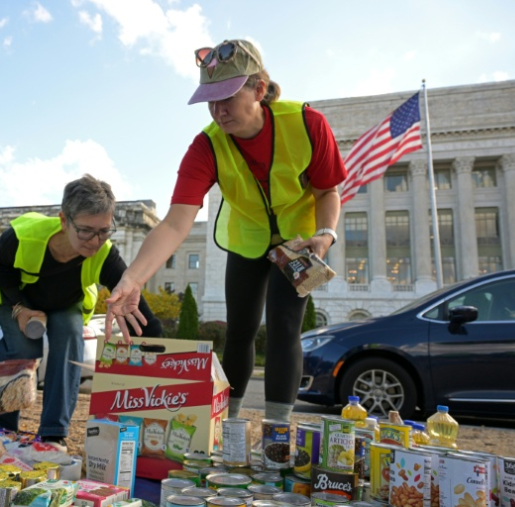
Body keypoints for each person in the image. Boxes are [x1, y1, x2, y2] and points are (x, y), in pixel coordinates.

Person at [105, 39, 346, 423]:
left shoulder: (307, 123)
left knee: (285, 328)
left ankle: (276, 434)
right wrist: (132, 278)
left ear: (259, 90)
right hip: (247, 240)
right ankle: (227, 425)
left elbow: (327, 190)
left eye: (227, 98)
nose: (218, 111)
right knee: (240, 331)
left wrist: (326, 234)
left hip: (300, 242)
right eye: (210, 100)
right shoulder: (205, 147)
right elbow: (175, 222)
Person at [0, 174, 162, 450]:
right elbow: (0, 272)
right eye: (85, 230)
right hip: (16, 297)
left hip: (64, 303)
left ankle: (53, 432)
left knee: (70, 334)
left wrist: (163, 354)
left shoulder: (105, 253)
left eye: (104, 230)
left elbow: (139, 308)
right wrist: (21, 309)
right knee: (23, 346)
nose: (95, 241)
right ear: (64, 220)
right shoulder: (21, 237)